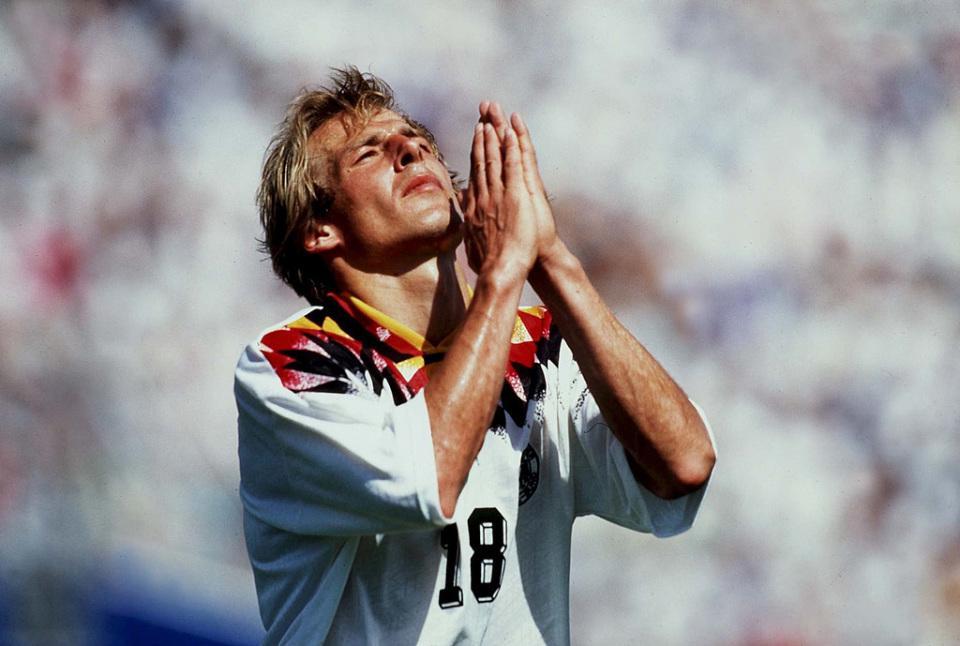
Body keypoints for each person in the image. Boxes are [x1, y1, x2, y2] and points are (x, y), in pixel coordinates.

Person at [235, 66, 716, 645]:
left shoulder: (536, 343)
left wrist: (549, 259)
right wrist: (506, 270)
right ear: (319, 230)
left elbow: (684, 463)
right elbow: (429, 478)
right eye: (369, 153)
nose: (409, 149)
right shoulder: (291, 363)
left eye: (418, 141)